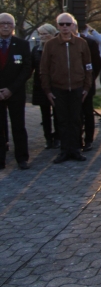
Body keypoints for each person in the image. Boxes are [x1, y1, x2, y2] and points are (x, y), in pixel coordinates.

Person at [40, 13, 93, 163]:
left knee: (76, 120)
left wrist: (86, 87)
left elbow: (88, 66)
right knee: (62, 121)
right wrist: (48, 90)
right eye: (61, 24)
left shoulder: (81, 43)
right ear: (57, 26)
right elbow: (44, 69)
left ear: (72, 25)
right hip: (58, 88)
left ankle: (76, 149)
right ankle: (64, 150)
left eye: (67, 24)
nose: (64, 27)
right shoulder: (50, 45)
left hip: (77, 88)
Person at [0, 13, 32, 170]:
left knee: (18, 126)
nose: (5, 26)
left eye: (9, 23)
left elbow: (26, 69)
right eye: (2, 23)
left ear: (13, 27)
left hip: (15, 92)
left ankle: (22, 158)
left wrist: (11, 89)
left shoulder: (22, 45)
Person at [32, 24, 59, 150]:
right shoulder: (36, 49)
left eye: (44, 34)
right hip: (41, 85)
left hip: (56, 85)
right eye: (40, 34)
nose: (42, 36)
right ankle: (48, 138)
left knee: (58, 112)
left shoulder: (58, 48)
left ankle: (58, 137)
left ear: (52, 34)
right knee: (45, 114)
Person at [77, 26, 101, 152]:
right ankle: (76, 140)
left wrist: (90, 79)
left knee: (87, 112)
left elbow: (97, 63)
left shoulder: (90, 42)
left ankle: (88, 140)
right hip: (70, 85)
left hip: (87, 83)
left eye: (68, 24)